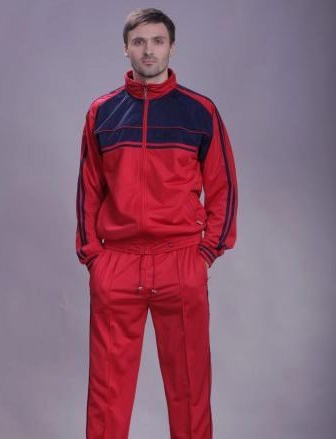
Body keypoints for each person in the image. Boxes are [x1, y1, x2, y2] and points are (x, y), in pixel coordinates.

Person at [75, 7, 238, 439]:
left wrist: (206, 252)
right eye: (139, 42)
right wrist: (94, 257)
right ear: (126, 49)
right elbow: (88, 189)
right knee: (107, 393)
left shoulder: (200, 112)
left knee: (190, 388)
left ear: (171, 48)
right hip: (118, 261)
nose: (149, 50)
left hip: (180, 260)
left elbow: (223, 187)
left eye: (158, 41)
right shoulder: (102, 113)